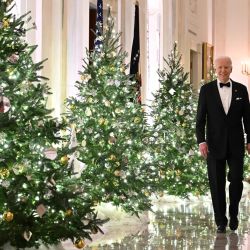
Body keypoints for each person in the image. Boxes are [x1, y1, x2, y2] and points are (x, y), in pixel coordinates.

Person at [196, 56, 250, 233]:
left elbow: (248, 119)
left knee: (236, 180)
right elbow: (200, 119)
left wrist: (249, 139)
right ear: (215, 69)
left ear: (231, 69)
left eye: (226, 67)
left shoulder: (242, 90)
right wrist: (201, 141)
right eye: (219, 67)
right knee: (216, 183)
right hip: (214, 144)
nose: (223, 70)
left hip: (236, 145)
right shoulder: (206, 90)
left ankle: (233, 214)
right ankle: (220, 220)